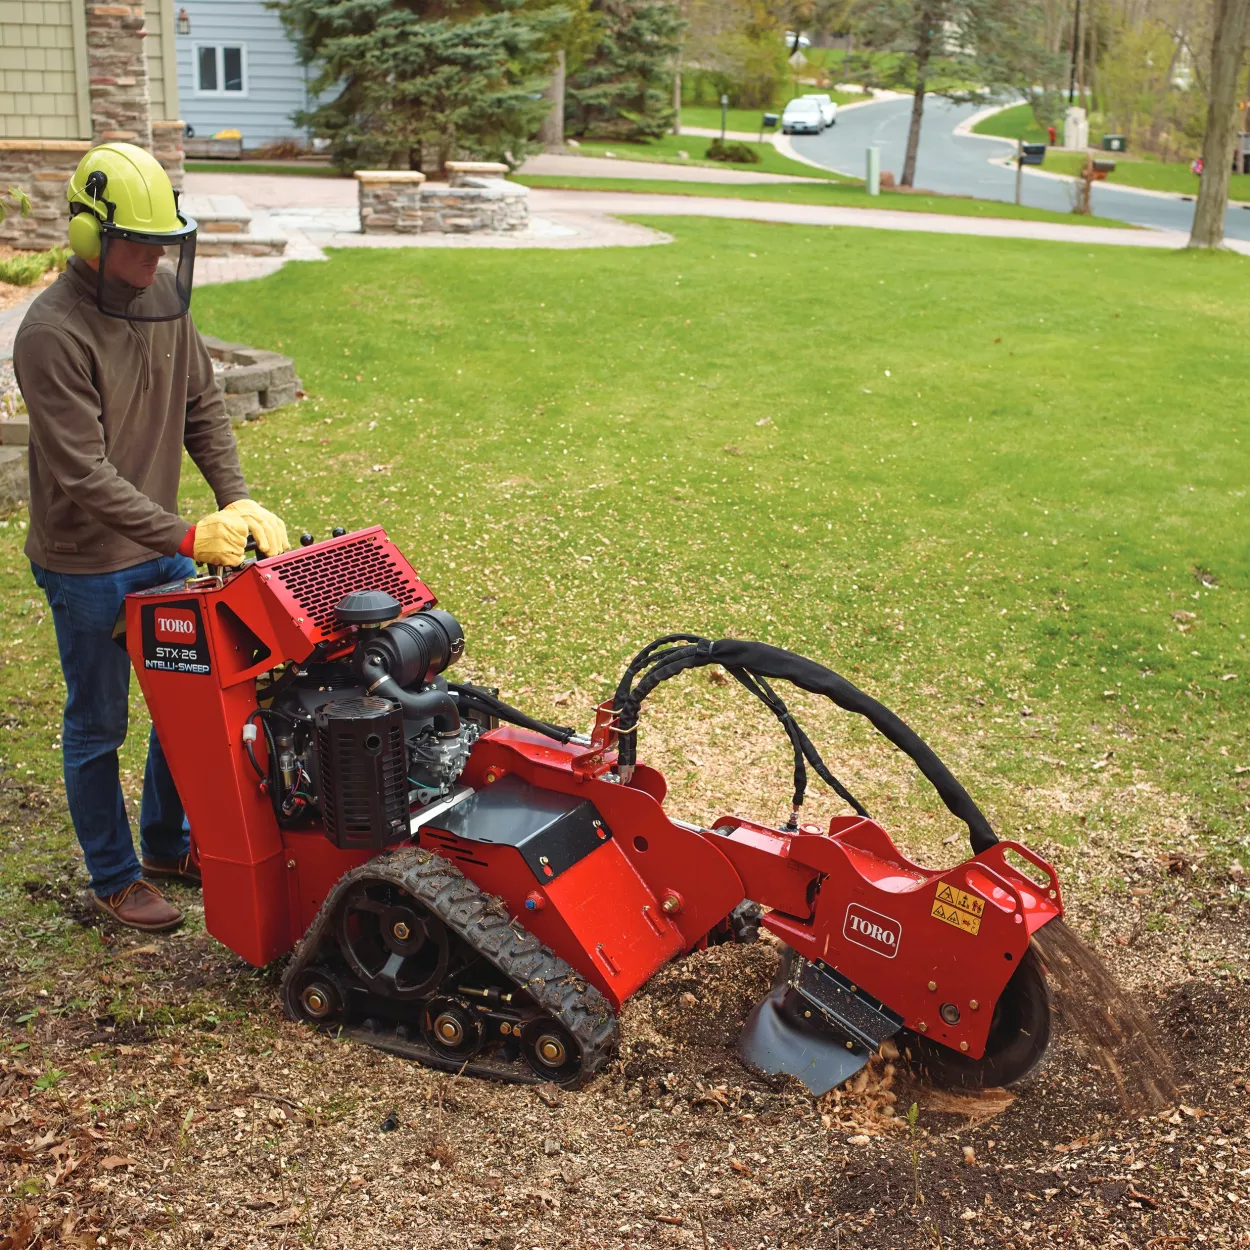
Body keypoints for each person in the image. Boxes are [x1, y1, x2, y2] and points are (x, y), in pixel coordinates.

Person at [13, 142, 290, 933]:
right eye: (138, 244)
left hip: (168, 542)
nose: (155, 259)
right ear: (90, 240)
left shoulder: (163, 294)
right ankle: (113, 875)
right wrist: (188, 528)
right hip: (86, 561)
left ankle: (168, 844)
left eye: (165, 243)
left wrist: (236, 502)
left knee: (191, 702)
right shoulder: (49, 334)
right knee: (99, 723)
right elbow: (81, 473)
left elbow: (203, 406)